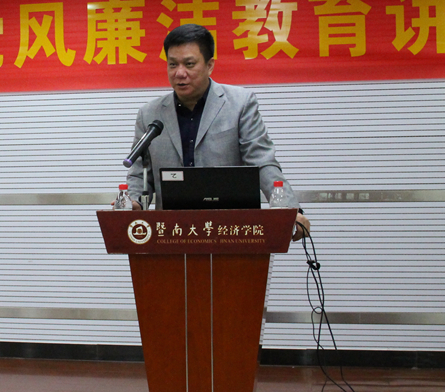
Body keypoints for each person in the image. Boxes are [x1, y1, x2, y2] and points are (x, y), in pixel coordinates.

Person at [125, 23, 310, 238]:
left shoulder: (240, 104)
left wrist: (289, 210)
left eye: (189, 64)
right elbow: (140, 172)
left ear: (210, 65)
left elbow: (262, 161)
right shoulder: (150, 114)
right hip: (172, 233)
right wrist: (134, 202)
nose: (179, 73)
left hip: (231, 231)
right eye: (173, 64)